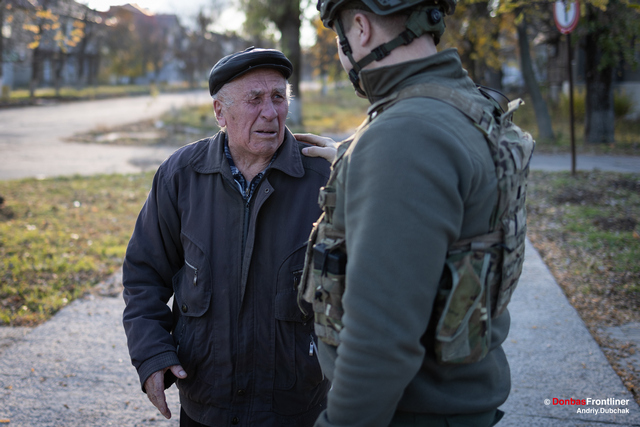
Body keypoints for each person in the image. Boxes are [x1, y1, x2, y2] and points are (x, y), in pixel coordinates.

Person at [299, 1, 515, 426]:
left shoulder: (404, 136)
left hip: (413, 413)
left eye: (339, 42)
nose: (343, 56)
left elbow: (380, 344)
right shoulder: (466, 106)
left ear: (359, 29)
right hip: (454, 402)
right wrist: (354, 161)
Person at [122, 47, 331, 426]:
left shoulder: (325, 178)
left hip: (297, 407)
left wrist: (356, 171)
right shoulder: (180, 176)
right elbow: (143, 274)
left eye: (278, 97)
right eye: (254, 100)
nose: (271, 112)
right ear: (220, 112)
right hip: (207, 404)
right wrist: (152, 355)